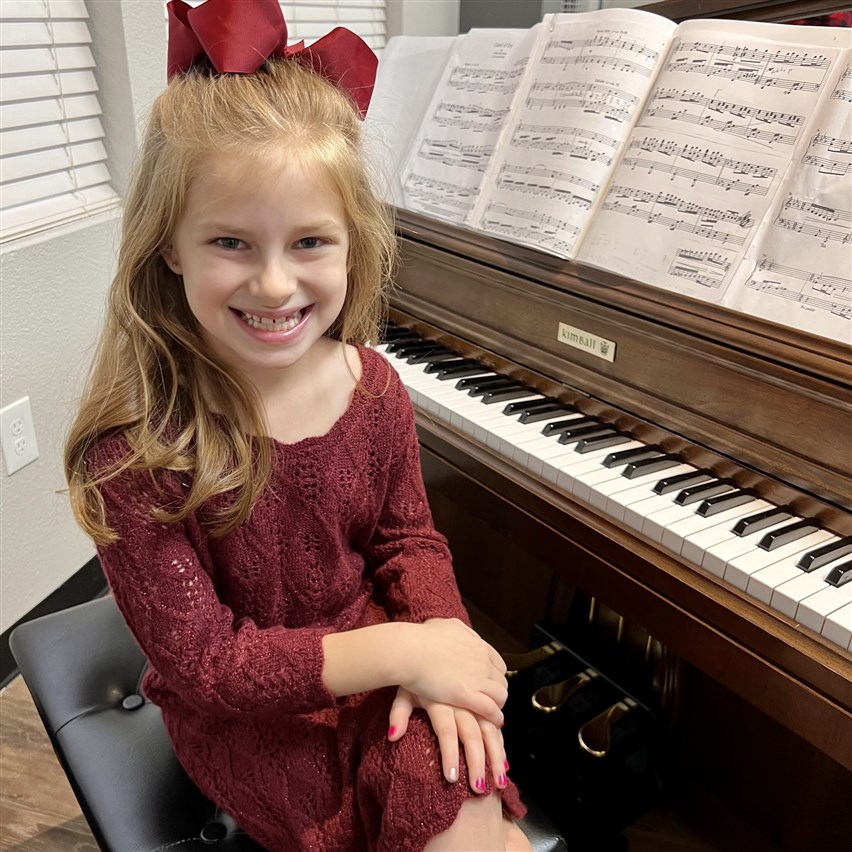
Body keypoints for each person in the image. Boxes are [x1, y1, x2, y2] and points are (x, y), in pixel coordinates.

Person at [64, 1, 531, 850]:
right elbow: (210, 667)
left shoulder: (374, 389)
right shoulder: (133, 450)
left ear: (355, 242)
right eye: (232, 244)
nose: (276, 286)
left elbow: (408, 542)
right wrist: (406, 656)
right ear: (169, 245)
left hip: (383, 658)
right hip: (252, 716)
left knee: (471, 811)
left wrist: (447, 649)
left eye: (310, 241)